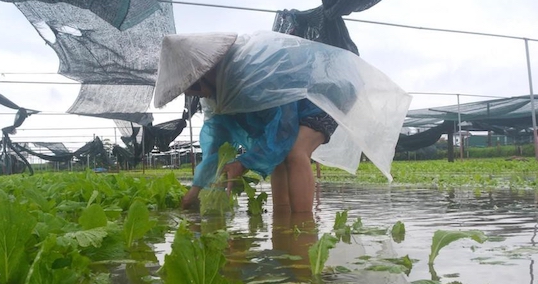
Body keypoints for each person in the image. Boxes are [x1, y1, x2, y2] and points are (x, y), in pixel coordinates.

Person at [152, 31, 411, 213]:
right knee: (278, 159)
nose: (195, 95)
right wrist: (195, 191)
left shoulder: (251, 72)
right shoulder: (217, 97)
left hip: (327, 91)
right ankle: (282, 220)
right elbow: (214, 148)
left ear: (204, 74)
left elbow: (283, 130)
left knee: (295, 152)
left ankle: (302, 226)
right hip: (297, 102)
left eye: (193, 88)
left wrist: (243, 163)